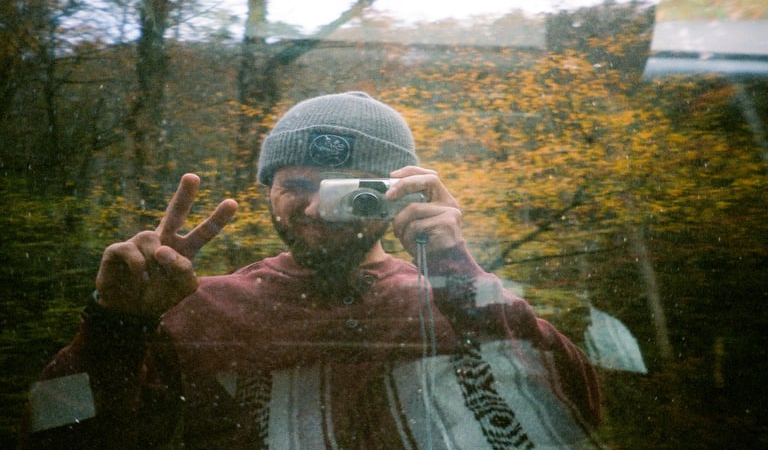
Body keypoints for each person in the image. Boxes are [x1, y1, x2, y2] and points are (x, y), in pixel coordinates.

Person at [19, 92, 600, 450]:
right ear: (266, 193)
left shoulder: (454, 297)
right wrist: (115, 323)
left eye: (350, 191)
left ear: (400, 194)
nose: (317, 207)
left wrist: (455, 265)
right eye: (295, 186)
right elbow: (57, 435)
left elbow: (576, 413)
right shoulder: (201, 305)